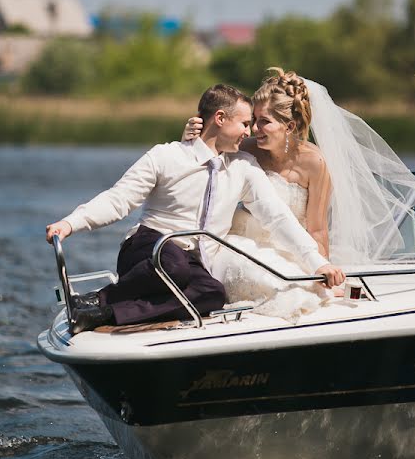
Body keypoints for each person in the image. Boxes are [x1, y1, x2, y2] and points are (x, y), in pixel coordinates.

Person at [45, 83, 346, 335]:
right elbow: (118, 199)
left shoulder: (243, 166)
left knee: (212, 293)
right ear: (220, 119)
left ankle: (104, 313)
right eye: (243, 123)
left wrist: (315, 261)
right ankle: (96, 300)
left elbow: (277, 217)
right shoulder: (167, 156)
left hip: (195, 261)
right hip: (149, 247)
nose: (249, 132)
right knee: (173, 262)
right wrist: (70, 223)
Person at [183, 68, 415, 321]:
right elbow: (201, 169)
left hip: (292, 247)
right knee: (268, 280)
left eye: (264, 121)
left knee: (301, 286)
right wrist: (191, 138)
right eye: (253, 120)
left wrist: (320, 268)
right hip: (242, 243)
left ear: (289, 125)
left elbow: (317, 229)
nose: (253, 128)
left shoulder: (314, 163)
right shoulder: (245, 148)